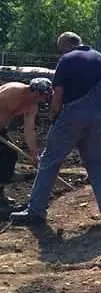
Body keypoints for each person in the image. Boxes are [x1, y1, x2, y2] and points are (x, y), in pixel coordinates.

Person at [11, 32, 101, 227]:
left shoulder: (66, 60)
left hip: (71, 116)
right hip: (97, 118)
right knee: (99, 164)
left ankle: (35, 212)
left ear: (64, 47)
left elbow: (58, 95)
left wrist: (54, 117)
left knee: (50, 162)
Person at [0, 78, 52, 206]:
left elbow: (29, 131)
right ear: (35, 92)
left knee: (9, 154)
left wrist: (35, 155)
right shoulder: (13, 91)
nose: (43, 100)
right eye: (42, 96)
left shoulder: (31, 106)